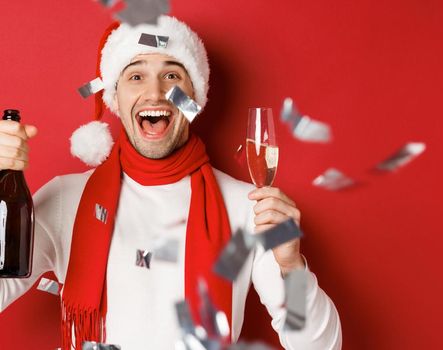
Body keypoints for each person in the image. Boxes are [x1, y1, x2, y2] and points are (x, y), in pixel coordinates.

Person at [0, 16, 341, 349]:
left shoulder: (246, 207)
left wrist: (292, 267)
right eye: (136, 76)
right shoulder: (65, 199)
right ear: (115, 99)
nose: (156, 92)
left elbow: (319, 345)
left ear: (195, 99)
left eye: (172, 75)